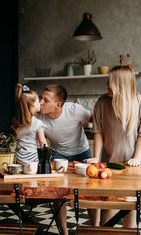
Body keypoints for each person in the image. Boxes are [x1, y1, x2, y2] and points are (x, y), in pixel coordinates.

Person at [85, 65, 141, 228]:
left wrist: (136, 158)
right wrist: (97, 156)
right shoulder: (101, 103)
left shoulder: (140, 102)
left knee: (129, 208)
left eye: (112, 83)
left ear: (123, 85)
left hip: (134, 165)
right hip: (110, 164)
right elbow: (98, 132)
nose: (107, 85)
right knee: (108, 204)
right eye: (108, 81)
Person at [38, 84, 92, 235]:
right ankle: (64, 232)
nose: (40, 102)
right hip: (58, 154)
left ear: (58, 104)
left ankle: (95, 228)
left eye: (45, 100)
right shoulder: (38, 115)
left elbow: (97, 119)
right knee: (58, 194)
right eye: (41, 98)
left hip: (82, 152)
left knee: (91, 191)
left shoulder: (74, 110)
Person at [12, 84, 47, 163]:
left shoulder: (17, 123)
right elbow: (42, 142)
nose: (40, 103)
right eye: (38, 101)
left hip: (18, 158)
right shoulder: (37, 123)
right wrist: (46, 158)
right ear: (31, 106)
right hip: (32, 159)